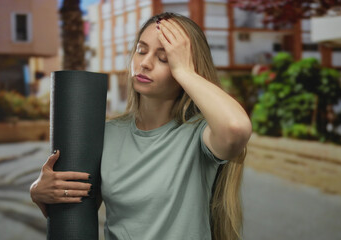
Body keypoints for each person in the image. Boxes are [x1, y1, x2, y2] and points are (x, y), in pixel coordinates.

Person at [30, 12, 252, 240]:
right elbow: (74, 214)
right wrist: (40, 192)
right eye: (141, 50)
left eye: (164, 58)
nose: (145, 63)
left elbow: (236, 127)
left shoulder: (199, 134)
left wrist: (185, 71)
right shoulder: (108, 134)